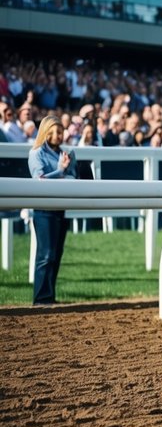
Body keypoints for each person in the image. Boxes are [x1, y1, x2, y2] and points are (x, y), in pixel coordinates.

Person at [28, 115, 78, 305]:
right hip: (43, 210)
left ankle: (49, 297)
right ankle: (41, 298)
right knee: (46, 255)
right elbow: (39, 179)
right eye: (54, 132)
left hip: (60, 208)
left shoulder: (66, 153)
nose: (58, 135)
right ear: (45, 132)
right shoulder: (36, 153)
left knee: (56, 255)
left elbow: (73, 178)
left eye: (60, 131)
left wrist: (66, 170)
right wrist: (61, 170)